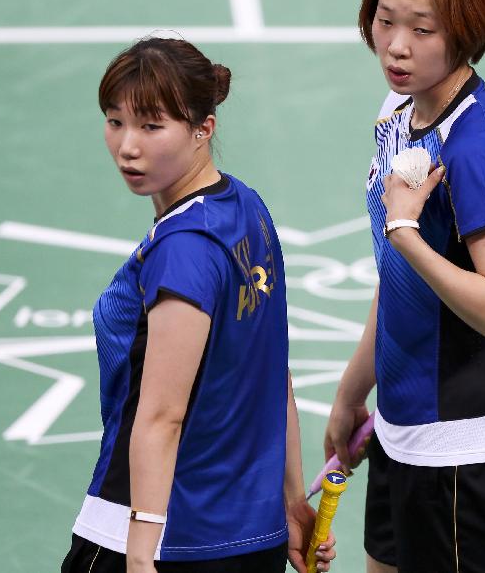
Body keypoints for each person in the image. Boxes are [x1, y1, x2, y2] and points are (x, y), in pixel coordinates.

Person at [61, 37, 335, 573]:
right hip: (253, 536)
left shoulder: (184, 249)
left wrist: (140, 555)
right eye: (115, 121)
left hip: (160, 536)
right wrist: (290, 501)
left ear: (203, 129)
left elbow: (161, 417)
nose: (127, 146)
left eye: (151, 126)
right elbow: (271, 373)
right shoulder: (246, 208)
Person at [324, 0, 485, 573]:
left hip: (463, 453)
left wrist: (406, 232)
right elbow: (398, 280)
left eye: (422, 29)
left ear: (466, 32)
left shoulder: (477, 146)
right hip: (402, 428)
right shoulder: (399, 110)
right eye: (385, 20)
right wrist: (353, 391)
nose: (396, 45)